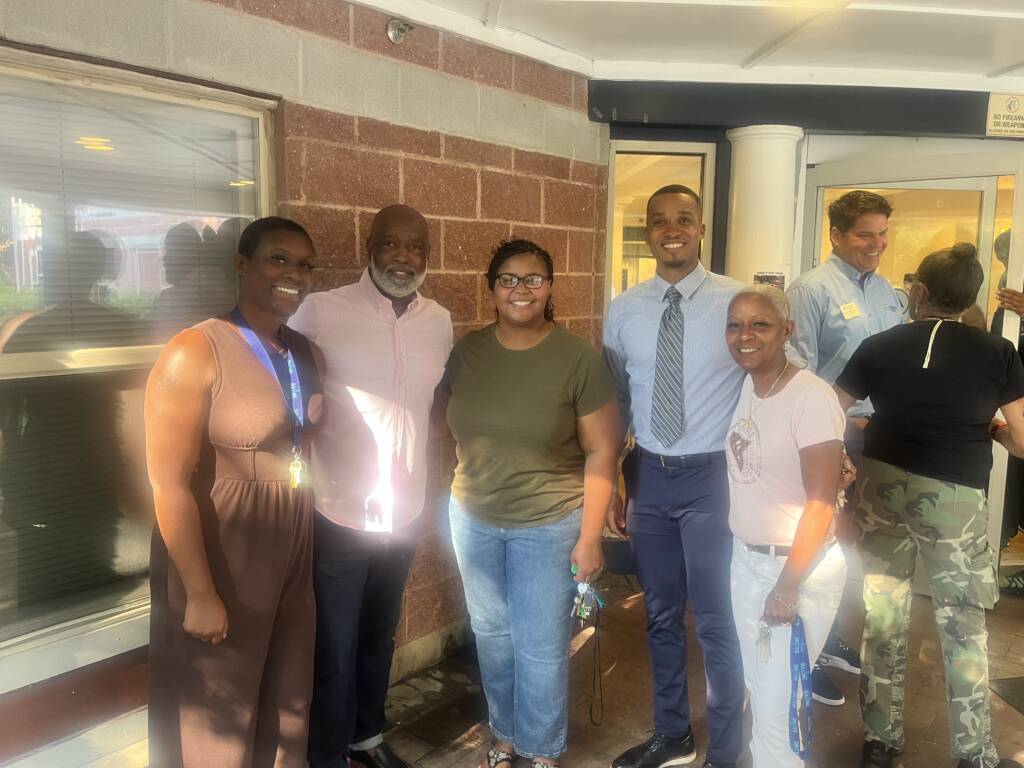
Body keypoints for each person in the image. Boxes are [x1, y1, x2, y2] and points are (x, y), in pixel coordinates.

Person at [835, 243, 1024, 768]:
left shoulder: (879, 344)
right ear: (971, 298)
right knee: (962, 625)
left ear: (918, 292)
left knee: (883, 613)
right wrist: (992, 428)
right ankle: (974, 754)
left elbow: (829, 410)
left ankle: (880, 743)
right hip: (954, 500)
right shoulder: (996, 352)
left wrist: (858, 437)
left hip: (881, 487)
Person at [146, 217, 323, 768]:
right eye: (278, 259)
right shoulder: (195, 349)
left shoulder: (303, 351)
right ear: (242, 264)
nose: (293, 274)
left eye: (304, 264)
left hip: (292, 542)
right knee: (220, 708)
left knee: (288, 699)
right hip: (225, 547)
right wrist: (199, 592)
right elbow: (168, 482)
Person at [440, 239, 618, 768]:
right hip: (472, 518)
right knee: (492, 637)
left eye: (533, 278)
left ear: (550, 287)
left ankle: (540, 749)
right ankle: (505, 736)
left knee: (540, 648)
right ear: (492, 288)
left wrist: (590, 538)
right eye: (509, 279)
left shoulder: (577, 358)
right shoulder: (467, 352)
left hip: (548, 524)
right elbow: (445, 422)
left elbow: (602, 451)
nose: (521, 289)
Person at [289, 204, 453, 768]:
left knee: (379, 637)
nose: (403, 258)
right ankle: (326, 753)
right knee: (333, 645)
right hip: (339, 509)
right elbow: (275, 362)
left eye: (415, 248)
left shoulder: (439, 321)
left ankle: (366, 736)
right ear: (370, 247)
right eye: (391, 245)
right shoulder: (321, 311)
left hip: (404, 511)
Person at [604, 185, 746, 768]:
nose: (671, 229)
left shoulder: (737, 301)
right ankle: (673, 736)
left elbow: (771, 379)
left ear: (701, 228)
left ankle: (728, 752)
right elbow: (616, 397)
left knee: (716, 617)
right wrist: (616, 477)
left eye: (683, 218)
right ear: (646, 232)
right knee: (659, 612)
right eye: (658, 221)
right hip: (651, 479)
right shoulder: (623, 308)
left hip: (715, 478)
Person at [724, 285, 850, 767]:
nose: (744, 335)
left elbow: (820, 504)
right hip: (747, 560)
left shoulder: (810, 397)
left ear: (787, 331)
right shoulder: (750, 385)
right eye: (735, 325)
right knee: (759, 687)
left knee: (779, 704)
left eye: (760, 324)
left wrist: (787, 586)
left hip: (794, 568)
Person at [786, 189, 903, 706]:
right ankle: (802, 658)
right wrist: (834, 438)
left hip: (882, 440)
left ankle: (828, 637)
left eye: (882, 234)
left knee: (850, 549)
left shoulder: (889, 294)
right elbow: (799, 371)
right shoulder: (810, 290)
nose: (876, 244)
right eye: (865, 235)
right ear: (835, 235)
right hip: (832, 440)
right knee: (816, 551)